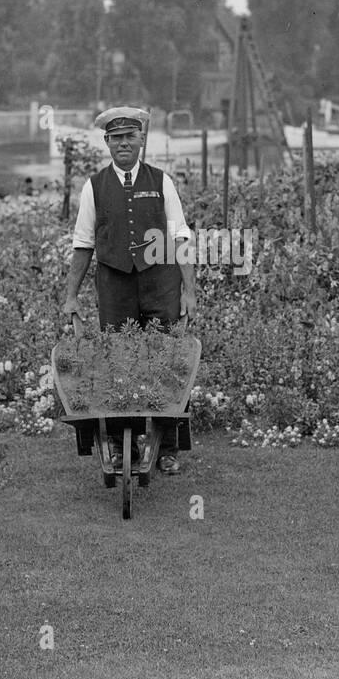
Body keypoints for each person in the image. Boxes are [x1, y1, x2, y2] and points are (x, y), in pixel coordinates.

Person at [61, 107, 197, 474]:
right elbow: (83, 243)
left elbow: (181, 236)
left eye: (130, 137)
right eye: (116, 137)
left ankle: (168, 448)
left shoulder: (162, 180)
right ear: (107, 143)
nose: (123, 143)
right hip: (115, 286)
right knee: (120, 365)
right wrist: (71, 295)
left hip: (160, 284)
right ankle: (126, 449)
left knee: (168, 363)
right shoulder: (95, 186)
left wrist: (189, 290)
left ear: (140, 140)